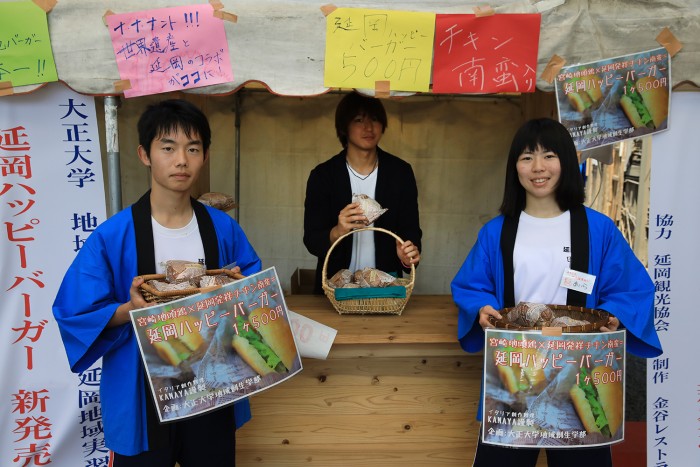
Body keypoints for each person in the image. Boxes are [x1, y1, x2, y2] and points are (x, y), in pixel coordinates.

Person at [52, 99, 262, 466]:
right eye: (168, 147)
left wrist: (240, 293)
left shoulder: (222, 228)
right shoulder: (112, 236)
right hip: (143, 390)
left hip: (212, 383)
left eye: (192, 148)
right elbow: (75, 312)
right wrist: (130, 309)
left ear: (205, 155)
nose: (181, 160)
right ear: (144, 154)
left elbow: (254, 293)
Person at [450, 118, 662, 467]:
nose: (537, 167)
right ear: (514, 167)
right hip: (517, 371)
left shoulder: (598, 229)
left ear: (565, 161)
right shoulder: (496, 232)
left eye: (548, 155)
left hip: (579, 371)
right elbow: (470, 285)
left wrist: (615, 316)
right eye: (526, 157)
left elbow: (632, 288)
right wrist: (481, 307)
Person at [303, 91, 422, 294]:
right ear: (344, 127)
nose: (368, 127)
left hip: (385, 287)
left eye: (375, 119)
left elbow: (411, 231)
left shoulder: (400, 172)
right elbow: (312, 239)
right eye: (358, 120)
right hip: (335, 287)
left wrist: (407, 255)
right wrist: (337, 231)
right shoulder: (324, 175)